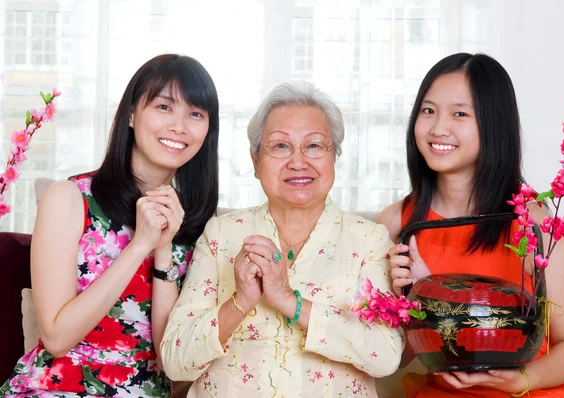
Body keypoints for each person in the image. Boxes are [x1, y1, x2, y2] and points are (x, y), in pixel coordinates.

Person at [160, 80, 403, 397]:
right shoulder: (222, 233)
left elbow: (385, 357)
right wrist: (241, 302)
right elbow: (175, 361)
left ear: (334, 158)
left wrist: (290, 301)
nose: (298, 161)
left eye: (314, 146)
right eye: (280, 146)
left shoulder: (369, 240)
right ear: (255, 161)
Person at [0, 54, 219, 398]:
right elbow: (56, 338)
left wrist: (164, 251)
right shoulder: (70, 199)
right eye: (164, 107)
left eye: (196, 114)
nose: (180, 126)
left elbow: (173, 363)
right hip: (57, 388)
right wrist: (140, 246)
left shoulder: (204, 227)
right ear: (132, 114)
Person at [377, 52, 564, 397]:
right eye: (428, 110)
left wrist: (520, 380)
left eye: (459, 113)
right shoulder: (397, 224)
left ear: (494, 125)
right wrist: (419, 298)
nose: (438, 128)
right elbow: (394, 359)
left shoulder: (534, 225)